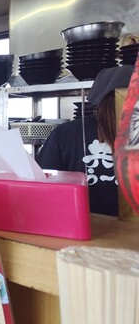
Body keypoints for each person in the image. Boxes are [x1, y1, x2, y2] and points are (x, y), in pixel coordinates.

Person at [35, 66, 133, 216]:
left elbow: (41, 192)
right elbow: (43, 184)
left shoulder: (66, 133)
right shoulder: (67, 135)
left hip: (79, 226)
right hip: (85, 228)